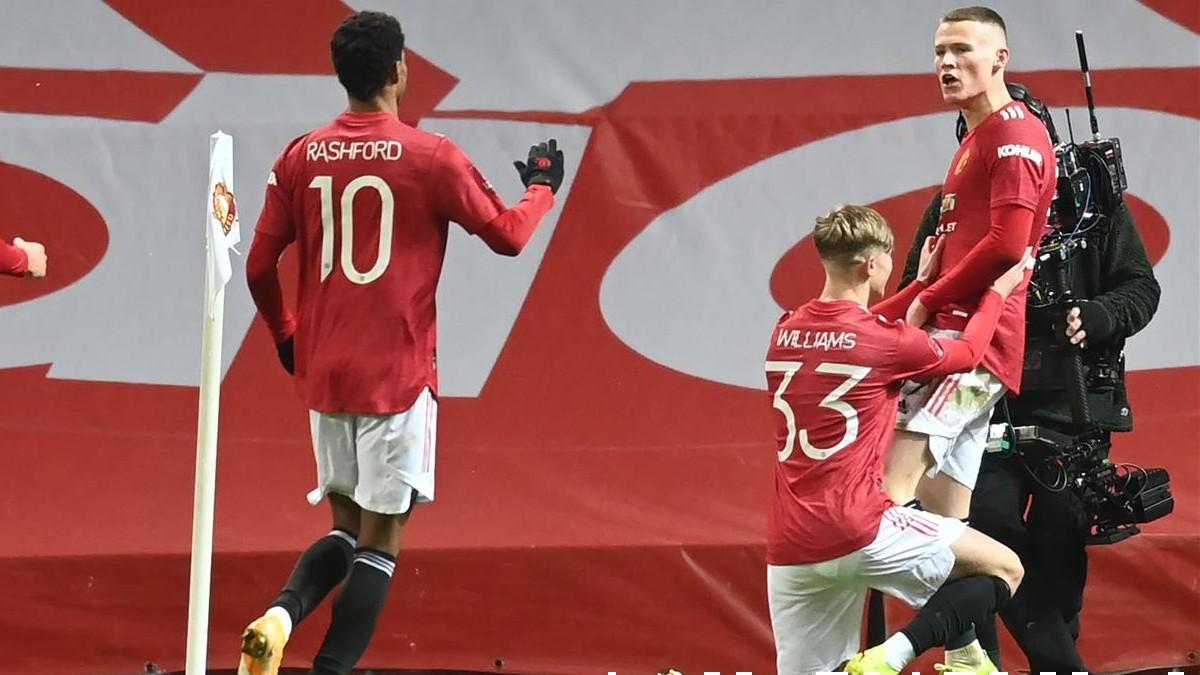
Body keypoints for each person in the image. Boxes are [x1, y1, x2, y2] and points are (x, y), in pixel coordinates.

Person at [240, 10, 566, 675]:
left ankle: (279, 615)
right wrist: (542, 187)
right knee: (381, 541)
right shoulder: (430, 155)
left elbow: (256, 266)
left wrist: (284, 336)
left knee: (342, 526)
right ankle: (328, 668)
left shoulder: (300, 155)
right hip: (397, 373)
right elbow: (508, 234)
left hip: (325, 370)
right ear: (398, 70)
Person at [899, 154, 1162, 671]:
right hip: (982, 401)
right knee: (990, 533)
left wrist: (1099, 314)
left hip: (1070, 407)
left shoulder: (1091, 200)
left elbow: (1141, 288)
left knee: (1061, 550)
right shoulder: (950, 205)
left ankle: (1052, 656)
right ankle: (1045, 665)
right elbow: (916, 288)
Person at [765, 204, 1029, 675]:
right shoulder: (884, 344)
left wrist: (920, 286)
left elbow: (853, 328)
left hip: (791, 547)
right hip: (861, 527)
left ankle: (944, 657)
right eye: (888, 257)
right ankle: (894, 655)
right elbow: (968, 352)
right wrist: (998, 293)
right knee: (1005, 568)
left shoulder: (785, 330)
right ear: (871, 264)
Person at [883, 4, 1055, 547]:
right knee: (944, 515)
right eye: (939, 52)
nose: (947, 63)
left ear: (1001, 59)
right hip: (959, 341)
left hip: (970, 345)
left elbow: (1007, 246)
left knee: (886, 494)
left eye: (962, 50)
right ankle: (969, 630)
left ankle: (913, 630)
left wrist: (926, 297)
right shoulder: (975, 139)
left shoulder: (1016, 138)